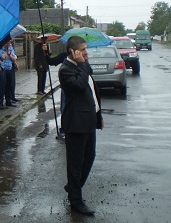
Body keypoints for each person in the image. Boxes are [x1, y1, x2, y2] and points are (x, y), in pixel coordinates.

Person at [58, 36, 104, 216]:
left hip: (89, 120)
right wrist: (82, 64)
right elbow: (78, 86)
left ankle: (73, 187)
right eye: (83, 50)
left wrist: (98, 115)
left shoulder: (83, 65)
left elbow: (91, 91)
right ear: (73, 52)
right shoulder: (65, 69)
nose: (86, 53)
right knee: (75, 164)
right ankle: (76, 201)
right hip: (75, 123)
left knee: (89, 157)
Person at [0, 40, 17, 107]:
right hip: (2, 68)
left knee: (9, 85)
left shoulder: (10, 47)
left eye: (9, 43)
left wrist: (9, 55)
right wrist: (4, 55)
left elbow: (14, 58)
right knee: (2, 87)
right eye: (7, 43)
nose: (9, 44)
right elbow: (1, 57)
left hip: (9, 68)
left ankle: (9, 101)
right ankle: (0, 103)